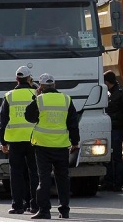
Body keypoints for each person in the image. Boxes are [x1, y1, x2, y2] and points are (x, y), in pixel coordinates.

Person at [25, 73, 80, 219]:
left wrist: (35, 97)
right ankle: (64, 210)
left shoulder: (40, 99)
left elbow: (28, 117)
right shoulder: (66, 99)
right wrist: (75, 142)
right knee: (63, 178)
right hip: (61, 145)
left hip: (42, 146)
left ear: (41, 86)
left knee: (44, 178)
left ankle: (44, 211)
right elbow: (73, 124)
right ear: (54, 85)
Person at [0, 66, 39, 215]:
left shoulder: (9, 96)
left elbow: (3, 121)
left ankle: (17, 205)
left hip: (15, 141)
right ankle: (34, 205)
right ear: (29, 79)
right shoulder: (36, 94)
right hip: (33, 140)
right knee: (34, 173)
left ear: (16, 79)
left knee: (16, 174)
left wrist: (3, 142)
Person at [101, 70, 123, 192]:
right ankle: (108, 182)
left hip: (116, 129)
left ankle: (117, 183)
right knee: (108, 156)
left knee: (116, 157)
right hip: (110, 128)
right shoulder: (111, 93)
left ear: (107, 82)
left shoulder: (120, 93)